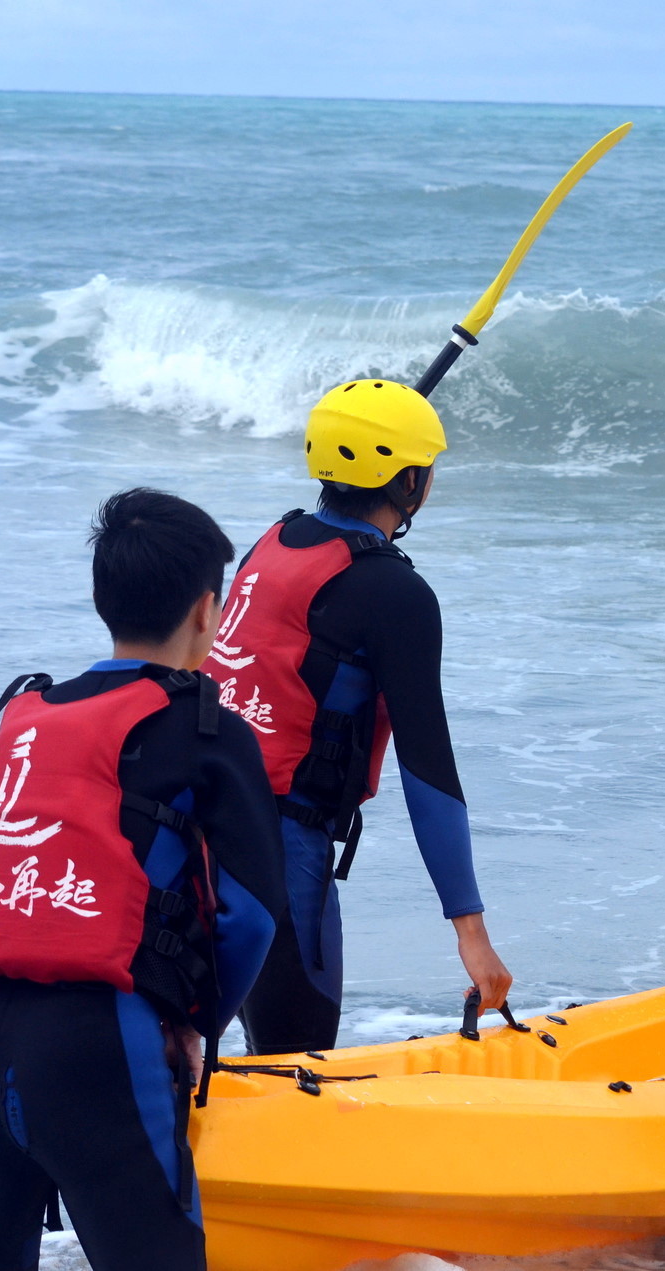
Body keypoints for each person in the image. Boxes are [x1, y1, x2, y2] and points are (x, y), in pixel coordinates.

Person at [0, 488, 286, 1271]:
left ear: (103, 600)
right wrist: (195, 1022)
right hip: (95, 1043)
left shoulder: (27, 720)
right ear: (206, 609)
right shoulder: (207, 725)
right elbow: (252, 916)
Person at [209, 378, 510, 1055]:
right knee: (293, 1062)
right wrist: (470, 931)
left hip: (190, 825)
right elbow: (429, 768)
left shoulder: (273, 542)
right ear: (411, 482)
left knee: (188, 1051)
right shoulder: (393, 591)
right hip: (278, 850)